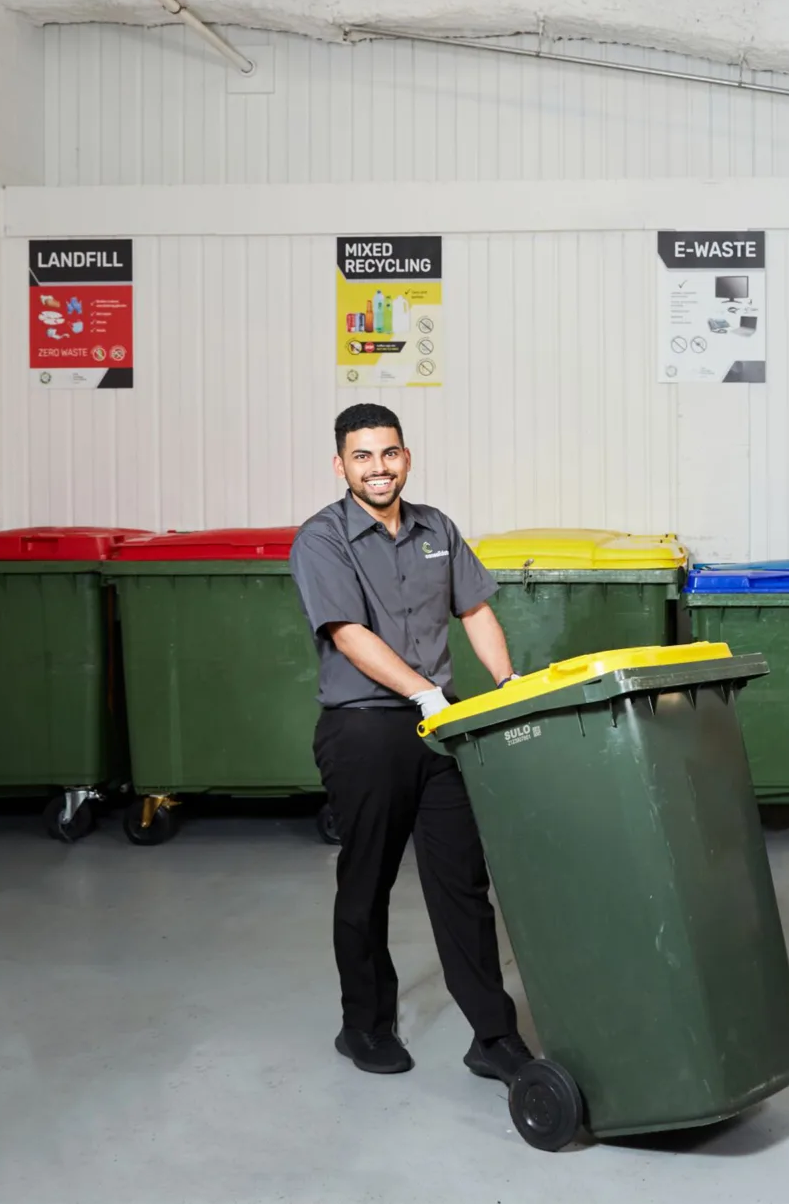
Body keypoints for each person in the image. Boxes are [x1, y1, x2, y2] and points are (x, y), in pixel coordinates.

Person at [288, 402, 533, 1079]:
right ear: (340, 465)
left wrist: (507, 681)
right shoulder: (322, 539)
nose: (378, 467)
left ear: (407, 457)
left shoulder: (438, 529)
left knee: (462, 880)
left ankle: (493, 1035)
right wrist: (426, 692)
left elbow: (475, 607)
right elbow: (348, 634)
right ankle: (363, 1025)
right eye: (362, 456)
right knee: (367, 880)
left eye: (389, 452)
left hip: (440, 730)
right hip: (364, 727)